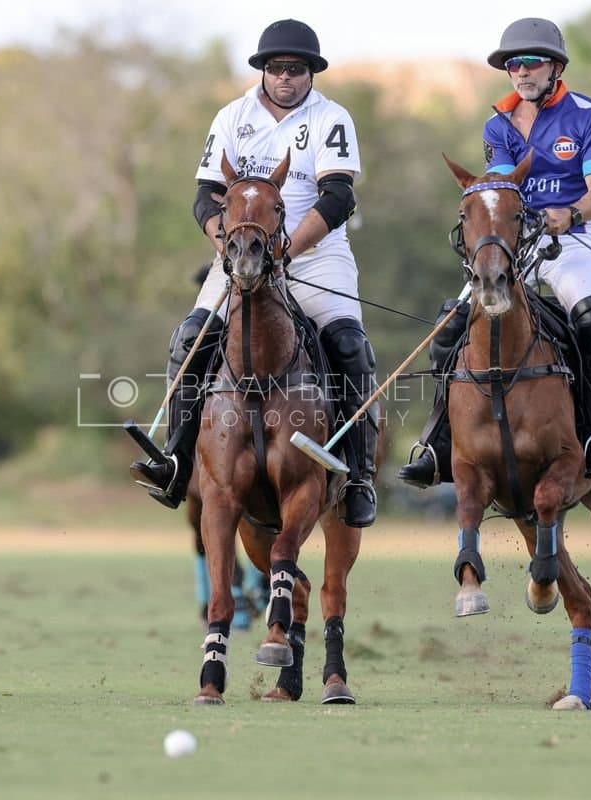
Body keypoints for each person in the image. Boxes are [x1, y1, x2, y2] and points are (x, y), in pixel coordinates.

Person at [131, 18, 379, 527]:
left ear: (310, 72)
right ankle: (177, 461)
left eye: (295, 69)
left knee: (350, 346)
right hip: (242, 252)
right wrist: (230, 247)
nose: (285, 77)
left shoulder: (331, 117)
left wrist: (286, 249)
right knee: (189, 338)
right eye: (275, 68)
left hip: (314, 254)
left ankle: (358, 475)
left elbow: (339, 196)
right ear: (263, 70)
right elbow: (205, 196)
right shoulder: (232, 115)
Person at [399, 17, 591, 487]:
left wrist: (572, 214)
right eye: (512, 64)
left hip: (572, 240)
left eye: (530, 62)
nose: (520, 71)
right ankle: (439, 439)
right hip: (514, 242)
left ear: (556, 67)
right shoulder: (497, 124)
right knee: (449, 325)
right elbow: (502, 189)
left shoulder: (590, 116)